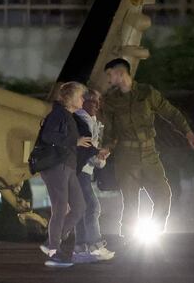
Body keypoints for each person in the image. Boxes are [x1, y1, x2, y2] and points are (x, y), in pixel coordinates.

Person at [100, 58, 194, 240]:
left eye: (109, 74)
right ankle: (129, 241)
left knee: (164, 195)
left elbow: (170, 112)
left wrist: (188, 133)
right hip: (126, 156)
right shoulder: (111, 101)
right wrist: (106, 148)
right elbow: (109, 130)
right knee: (130, 203)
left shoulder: (147, 93)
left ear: (120, 73)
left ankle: (154, 235)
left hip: (149, 154)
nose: (108, 80)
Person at [39, 81, 91, 268]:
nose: (83, 99)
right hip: (56, 167)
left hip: (67, 166)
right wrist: (74, 140)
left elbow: (72, 142)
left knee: (79, 207)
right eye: (80, 95)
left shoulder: (68, 115)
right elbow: (48, 137)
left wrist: (95, 150)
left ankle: (51, 243)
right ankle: (54, 252)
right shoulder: (58, 114)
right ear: (69, 98)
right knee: (60, 208)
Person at [73, 89, 115, 261]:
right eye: (92, 101)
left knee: (83, 208)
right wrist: (99, 157)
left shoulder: (92, 121)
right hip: (79, 170)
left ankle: (81, 249)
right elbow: (85, 149)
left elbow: (92, 150)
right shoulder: (82, 120)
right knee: (92, 207)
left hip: (83, 170)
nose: (96, 105)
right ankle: (95, 246)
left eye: (98, 102)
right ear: (83, 101)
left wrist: (100, 157)